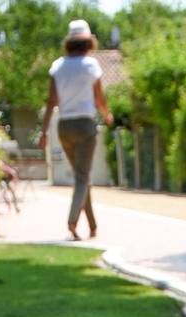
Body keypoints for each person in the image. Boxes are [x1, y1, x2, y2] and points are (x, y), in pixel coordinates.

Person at [39, 19, 114, 240]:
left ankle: (92, 226)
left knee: (83, 176)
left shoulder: (58, 66)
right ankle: (72, 220)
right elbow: (99, 98)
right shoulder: (91, 65)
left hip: (64, 127)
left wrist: (43, 132)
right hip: (85, 125)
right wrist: (107, 114)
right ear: (88, 41)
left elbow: (51, 101)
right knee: (83, 177)